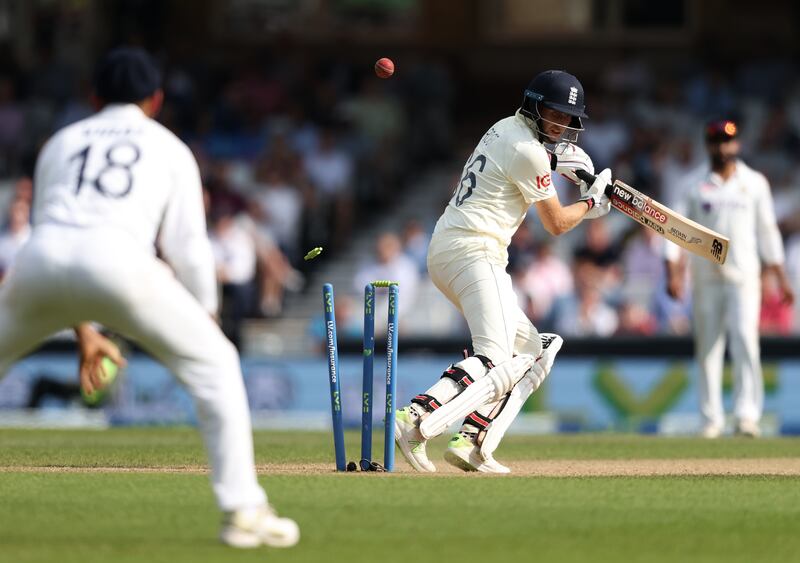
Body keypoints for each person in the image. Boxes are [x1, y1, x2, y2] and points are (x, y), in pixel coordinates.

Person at [0, 47, 299, 547]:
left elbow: (57, 242)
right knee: (218, 365)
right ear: (156, 100)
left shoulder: (61, 141)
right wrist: (205, 314)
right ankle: (243, 510)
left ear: (93, 96)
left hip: (38, 265)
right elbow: (187, 247)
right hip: (121, 263)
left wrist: (83, 331)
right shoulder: (168, 147)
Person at [393, 70, 612, 473]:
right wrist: (592, 202)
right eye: (554, 114)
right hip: (473, 252)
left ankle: (473, 440)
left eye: (567, 118)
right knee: (494, 356)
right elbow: (557, 224)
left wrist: (558, 162)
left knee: (534, 350)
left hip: (452, 248)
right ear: (533, 106)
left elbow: (533, 158)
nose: (561, 124)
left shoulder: (504, 128)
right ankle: (413, 417)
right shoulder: (528, 151)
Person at [665, 119, 794, 438]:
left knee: (746, 343)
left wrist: (780, 276)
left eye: (728, 141)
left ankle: (746, 415)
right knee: (708, 347)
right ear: (708, 145)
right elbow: (676, 231)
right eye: (717, 141)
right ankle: (711, 419)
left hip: (744, 276)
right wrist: (674, 272)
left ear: (737, 145)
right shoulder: (693, 183)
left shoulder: (754, 183)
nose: (723, 147)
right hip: (706, 276)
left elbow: (767, 231)